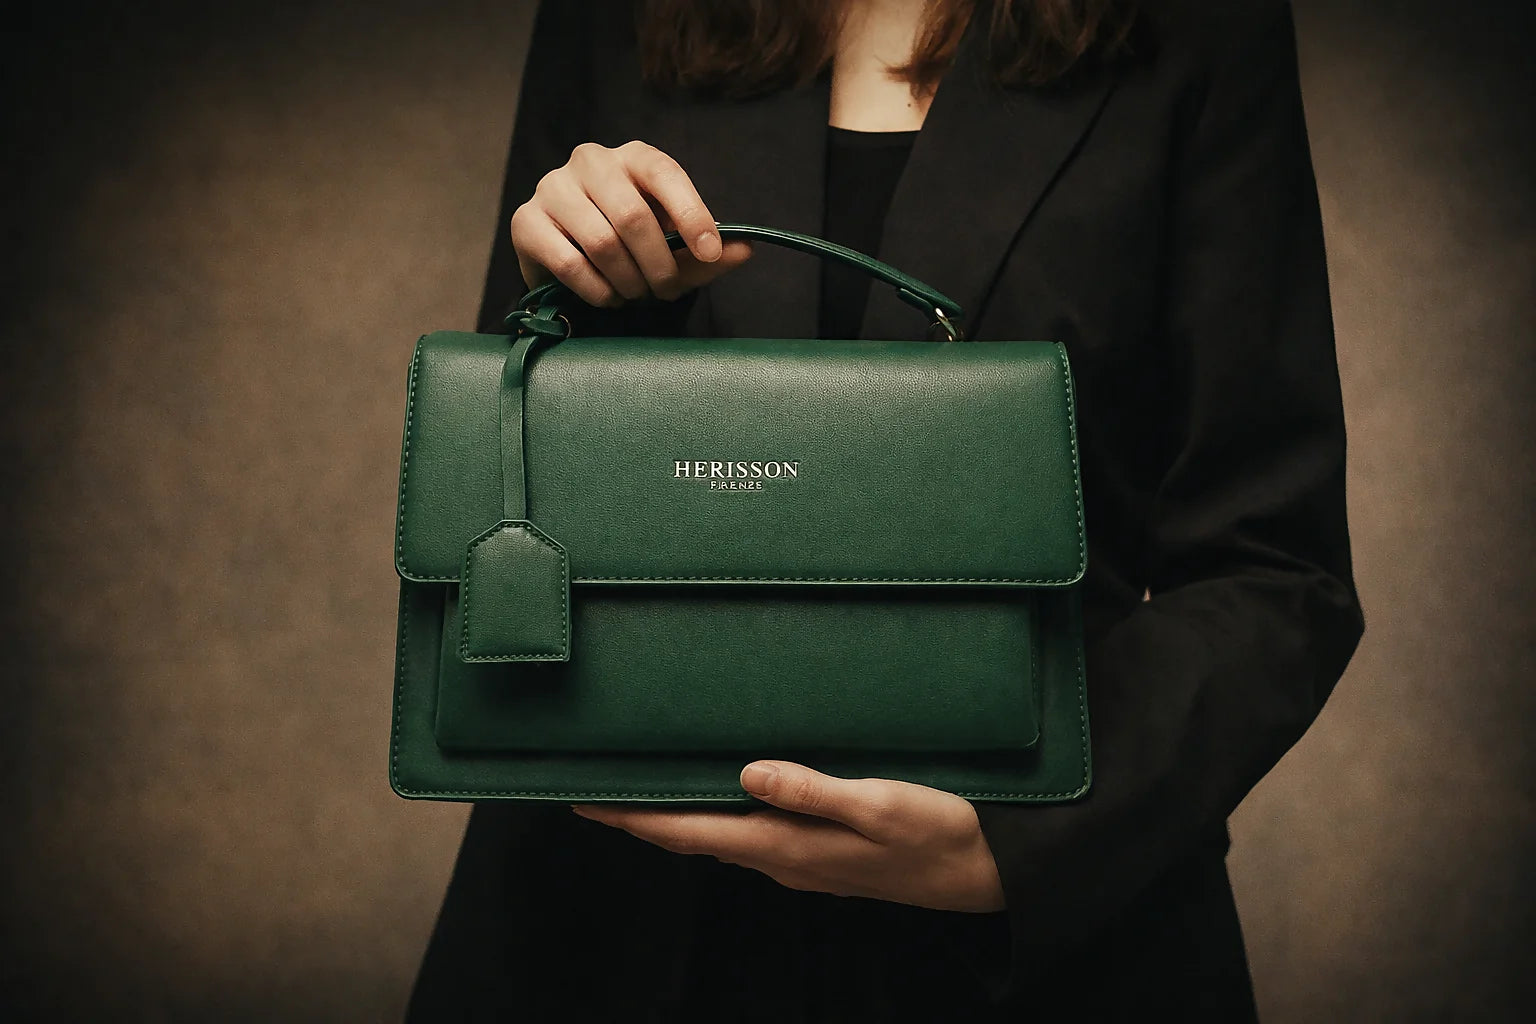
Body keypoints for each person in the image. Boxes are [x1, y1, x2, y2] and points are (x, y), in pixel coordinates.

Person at [406, 0, 1365, 1019]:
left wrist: (1023, 843)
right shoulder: (615, 18)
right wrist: (586, 289)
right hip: (613, 904)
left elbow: (1274, 564)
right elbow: (499, 488)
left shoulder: (1204, 27)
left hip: (1035, 915)